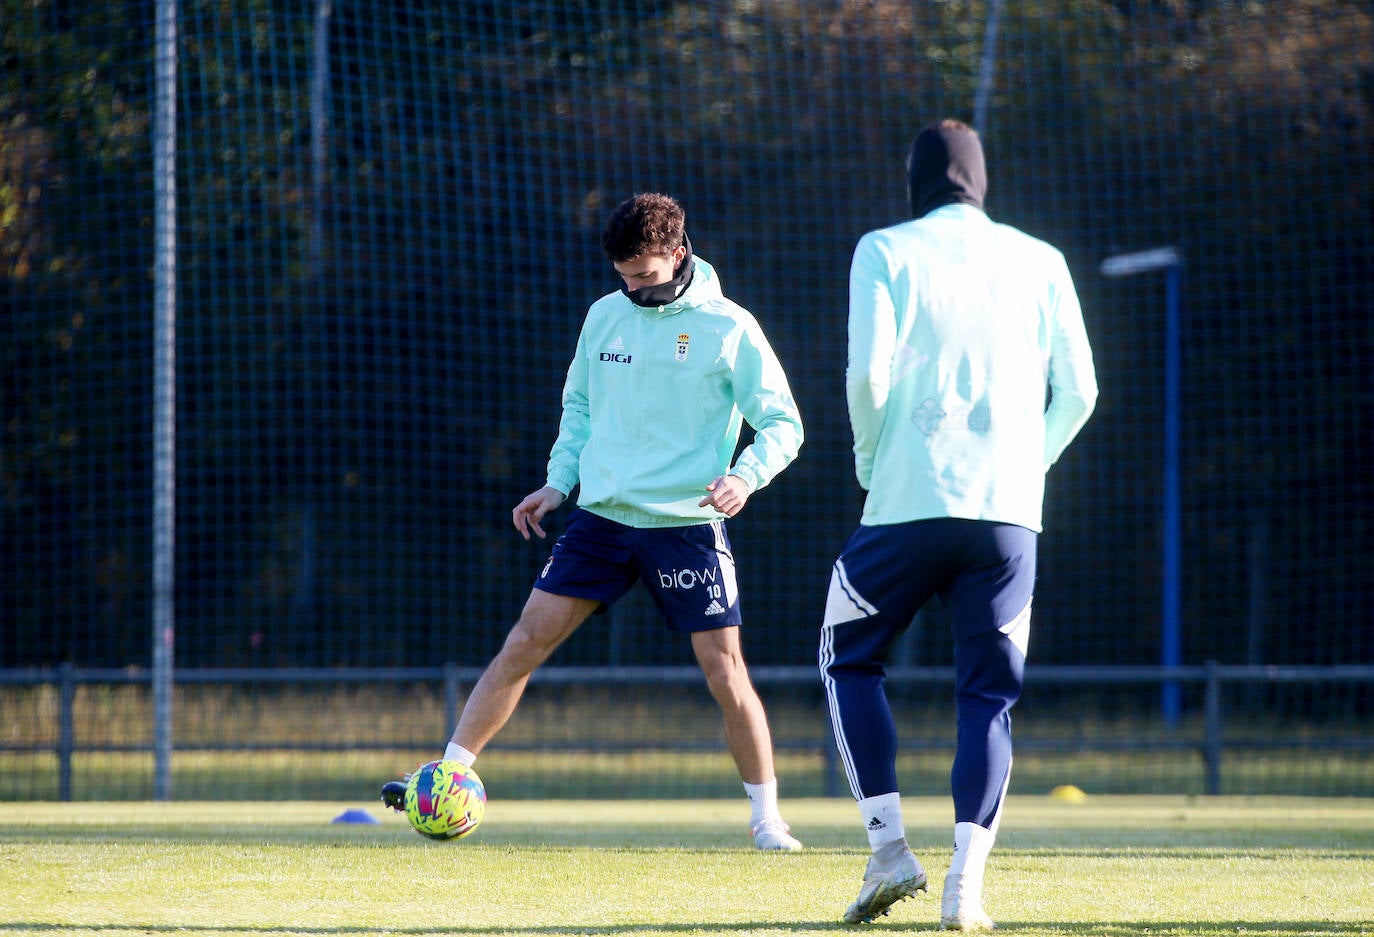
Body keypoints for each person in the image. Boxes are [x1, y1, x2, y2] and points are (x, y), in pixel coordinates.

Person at [384, 192, 806, 850]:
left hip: (685, 522)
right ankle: (447, 777)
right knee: (525, 641)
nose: (633, 288)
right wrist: (557, 484)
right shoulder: (604, 317)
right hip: (602, 519)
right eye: (623, 275)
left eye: (645, 274)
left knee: (726, 672)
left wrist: (744, 477)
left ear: (678, 252)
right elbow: (578, 409)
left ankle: (767, 820)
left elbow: (783, 422)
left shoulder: (729, 327)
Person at [821, 120, 1098, 928]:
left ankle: (888, 850)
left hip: (906, 502)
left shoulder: (884, 248)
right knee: (988, 698)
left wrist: (871, 460)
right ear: (981, 179)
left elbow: (866, 373)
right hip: (1007, 516)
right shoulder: (1043, 259)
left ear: (914, 182)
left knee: (848, 655)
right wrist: (1028, 465)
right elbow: (1080, 391)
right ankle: (966, 888)